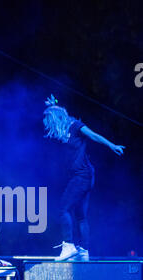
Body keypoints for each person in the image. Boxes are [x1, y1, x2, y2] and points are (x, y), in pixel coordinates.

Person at [43, 95, 125, 261]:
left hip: (83, 175)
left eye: (48, 120)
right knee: (80, 214)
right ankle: (83, 251)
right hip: (79, 176)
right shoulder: (61, 134)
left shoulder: (75, 126)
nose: (46, 125)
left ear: (55, 119)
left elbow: (94, 136)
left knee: (63, 209)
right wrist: (52, 107)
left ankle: (69, 246)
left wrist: (112, 146)